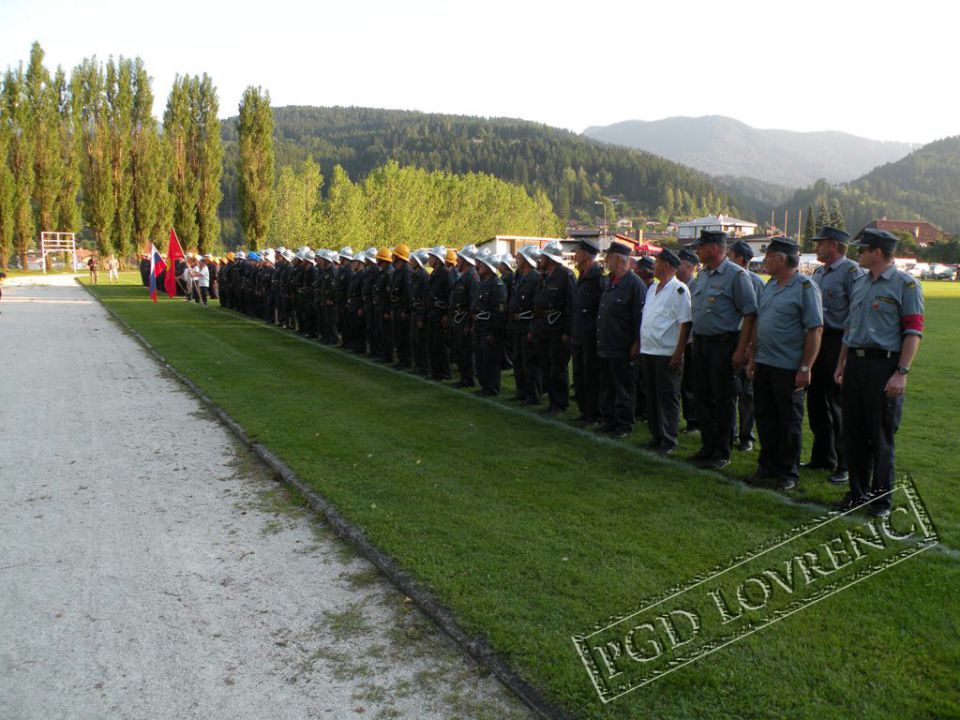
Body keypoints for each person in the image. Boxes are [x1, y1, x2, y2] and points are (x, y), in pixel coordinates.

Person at [833, 228, 924, 517]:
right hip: (856, 366)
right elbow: (850, 329)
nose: (857, 254)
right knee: (854, 433)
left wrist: (901, 372)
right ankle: (857, 493)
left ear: (877, 252)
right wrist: (841, 363)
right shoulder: (860, 283)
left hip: (883, 366)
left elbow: (913, 333)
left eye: (863, 249)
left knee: (881, 435)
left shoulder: (905, 285)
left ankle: (881, 500)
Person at [747, 237, 823, 491]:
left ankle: (788, 471)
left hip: (788, 366)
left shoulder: (805, 287)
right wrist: (752, 355)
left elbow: (815, 330)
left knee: (789, 420)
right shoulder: (769, 286)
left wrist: (805, 367)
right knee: (765, 417)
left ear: (781, 259)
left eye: (768, 256)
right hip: (764, 362)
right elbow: (760, 322)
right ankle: (767, 466)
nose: (764, 261)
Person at [688, 230, 758, 469]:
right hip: (702, 343)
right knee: (703, 396)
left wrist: (741, 350)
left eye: (701, 247)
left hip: (724, 344)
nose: (697, 251)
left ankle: (722, 450)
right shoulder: (704, 275)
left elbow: (750, 314)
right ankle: (708, 446)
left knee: (723, 399)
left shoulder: (736, 275)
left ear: (715, 248)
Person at [807, 226, 864, 484]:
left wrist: (846, 350)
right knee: (816, 402)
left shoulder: (851, 272)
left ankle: (845, 464)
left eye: (820, 243)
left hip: (837, 341)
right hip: (817, 339)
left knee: (837, 404)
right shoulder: (819, 273)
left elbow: (857, 309)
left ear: (834, 245)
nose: (816, 247)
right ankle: (822, 457)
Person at [640, 248, 692, 454]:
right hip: (649, 350)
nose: (654, 265)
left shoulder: (679, 289)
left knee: (667, 397)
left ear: (668, 266)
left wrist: (678, 353)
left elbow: (684, 323)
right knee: (651, 396)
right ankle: (656, 435)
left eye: (658, 262)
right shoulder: (652, 288)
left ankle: (669, 439)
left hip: (666, 353)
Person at [596, 241, 644, 438]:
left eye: (608, 258)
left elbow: (640, 318)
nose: (605, 261)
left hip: (623, 346)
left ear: (617, 259)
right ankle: (609, 420)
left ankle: (623, 425)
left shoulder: (634, 285)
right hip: (607, 344)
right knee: (608, 386)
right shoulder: (611, 281)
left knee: (623, 387)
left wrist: (637, 342)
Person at [727, 239, 766, 452]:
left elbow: (757, 316)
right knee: (729, 390)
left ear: (740, 259)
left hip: (749, 342)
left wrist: (752, 346)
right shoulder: (727, 278)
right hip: (730, 341)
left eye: (729, 255)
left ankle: (746, 436)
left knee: (747, 392)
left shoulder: (756, 282)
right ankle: (730, 431)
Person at [530, 241, 575, 413]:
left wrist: (567, 331)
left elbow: (571, 305)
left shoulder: (565, 275)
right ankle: (552, 400)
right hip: (543, 327)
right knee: (546, 365)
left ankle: (560, 402)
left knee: (557, 367)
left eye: (543, 256)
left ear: (550, 258)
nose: (540, 258)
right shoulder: (544, 275)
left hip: (557, 329)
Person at [570, 239, 604, 423]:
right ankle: (585, 411)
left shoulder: (597, 279)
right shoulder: (582, 276)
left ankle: (593, 412)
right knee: (579, 375)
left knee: (590, 375)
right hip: (578, 334)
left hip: (590, 337)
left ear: (586, 255)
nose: (575, 255)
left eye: (578, 252)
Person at [508, 245, 542, 404]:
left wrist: (533, 328)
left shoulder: (535, 278)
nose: (517, 260)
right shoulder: (520, 276)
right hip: (517, 325)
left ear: (527, 260)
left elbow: (536, 306)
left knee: (529, 362)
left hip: (527, 325)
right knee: (518, 360)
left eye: (520, 257)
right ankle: (521, 391)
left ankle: (533, 394)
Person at [472, 249, 508, 395]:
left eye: (482, 265)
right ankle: (484, 386)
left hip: (489, 328)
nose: (479, 267)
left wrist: (494, 332)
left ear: (489, 268)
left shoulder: (497, 285)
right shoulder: (483, 283)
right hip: (480, 326)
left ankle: (491, 387)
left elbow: (499, 311)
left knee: (490, 361)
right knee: (481, 359)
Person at [677, 247, 700, 434]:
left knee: (691, 383)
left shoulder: (695, 287)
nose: (677, 269)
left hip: (691, 342)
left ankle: (694, 421)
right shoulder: (678, 286)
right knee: (683, 383)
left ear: (691, 267)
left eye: (681, 265)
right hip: (680, 341)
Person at [449, 245, 479, 387]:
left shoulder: (472, 276)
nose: (457, 261)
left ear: (466, 260)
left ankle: (468, 379)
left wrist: (469, 325)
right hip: (459, 319)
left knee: (466, 352)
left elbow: (473, 303)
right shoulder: (464, 275)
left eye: (459, 259)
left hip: (465, 320)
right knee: (460, 350)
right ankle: (464, 378)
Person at [425, 246, 453, 380]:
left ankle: (443, 373)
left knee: (441, 345)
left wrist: (447, 315)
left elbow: (450, 296)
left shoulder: (445, 273)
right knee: (432, 344)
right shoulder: (434, 273)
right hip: (432, 313)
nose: (429, 259)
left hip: (440, 315)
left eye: (431, 257)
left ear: (437, 259)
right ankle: (435, 371)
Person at [390, 244, 413, 368]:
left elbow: (408, 293)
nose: (392, 258)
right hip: (396, 307)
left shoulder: (406, 271)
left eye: (394, 255)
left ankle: (406, 361)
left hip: (402, 308)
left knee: (403, 336)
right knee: (398, 335)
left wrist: (406, 310)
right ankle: (401, 360)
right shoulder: (398, 271)